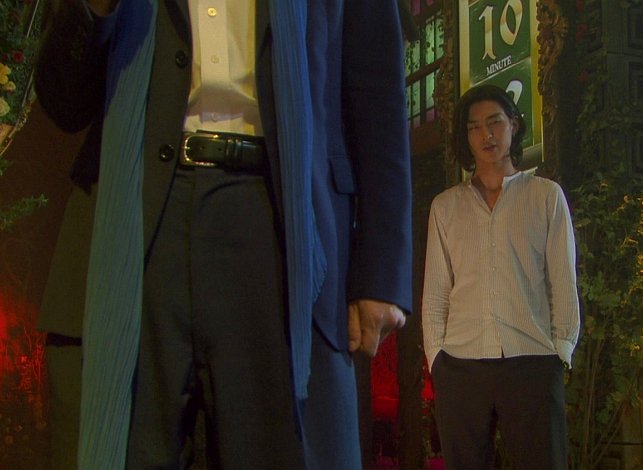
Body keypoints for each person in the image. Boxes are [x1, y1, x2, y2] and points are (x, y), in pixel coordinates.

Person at [34, 0, 413, 469]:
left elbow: (377, 93)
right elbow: (63, 104)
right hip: (133, 215)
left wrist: (382, 269)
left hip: (285, 221)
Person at [421, 84, 580, 469]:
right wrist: (436, 356)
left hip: (532, 359)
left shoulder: (545, 196)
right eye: (474, 127)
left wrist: (561, 349)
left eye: (494, 122)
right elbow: (437, 291)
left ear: (514, 124)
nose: (486, 135)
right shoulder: (445, 207)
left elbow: (563, 280)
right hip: (460, 364)